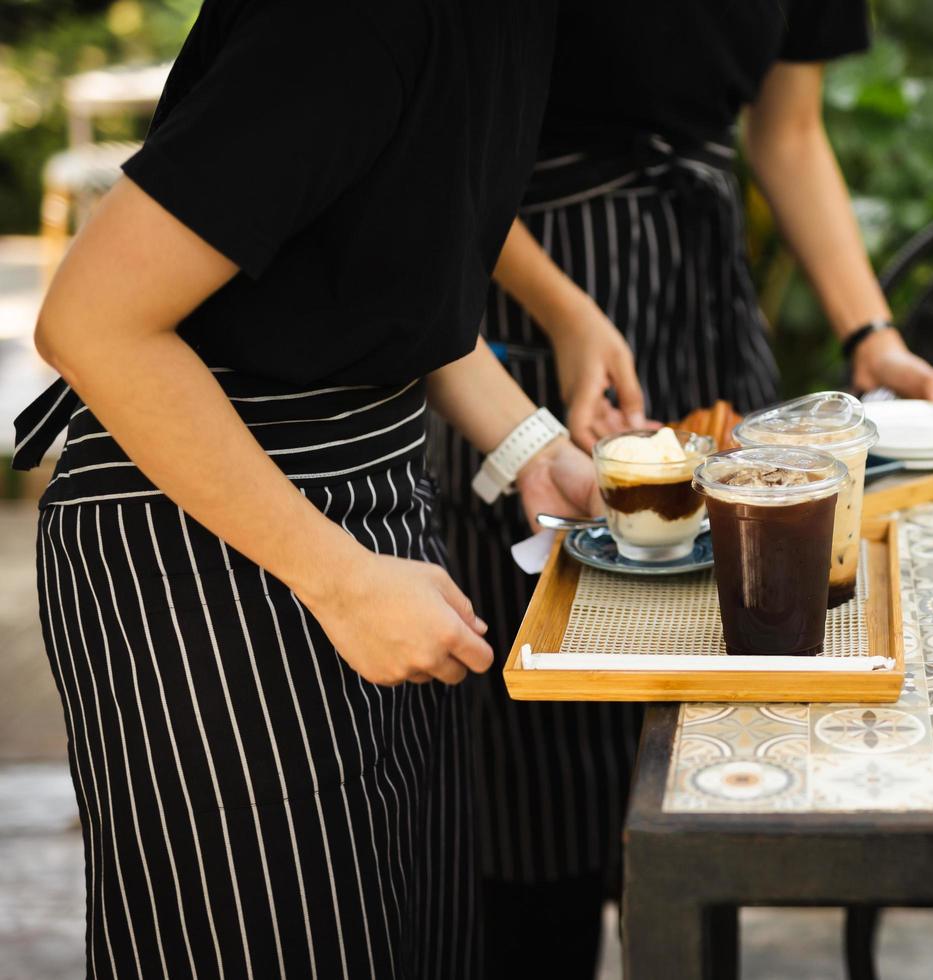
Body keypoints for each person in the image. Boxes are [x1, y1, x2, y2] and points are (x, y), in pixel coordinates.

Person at [12, 0, 596, 976]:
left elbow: (385, 279)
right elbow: (93, 321)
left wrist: (530, 442)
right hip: (202, 548)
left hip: (369, 514)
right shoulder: (353, 21)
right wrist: (337, 575)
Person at [426, 1, 933, 973]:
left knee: (726, 689)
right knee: (541, 752)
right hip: (527, 284)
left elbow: (788, 132)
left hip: (700, 284)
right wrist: (568, 308)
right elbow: (433, 143)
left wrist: (870, 334)